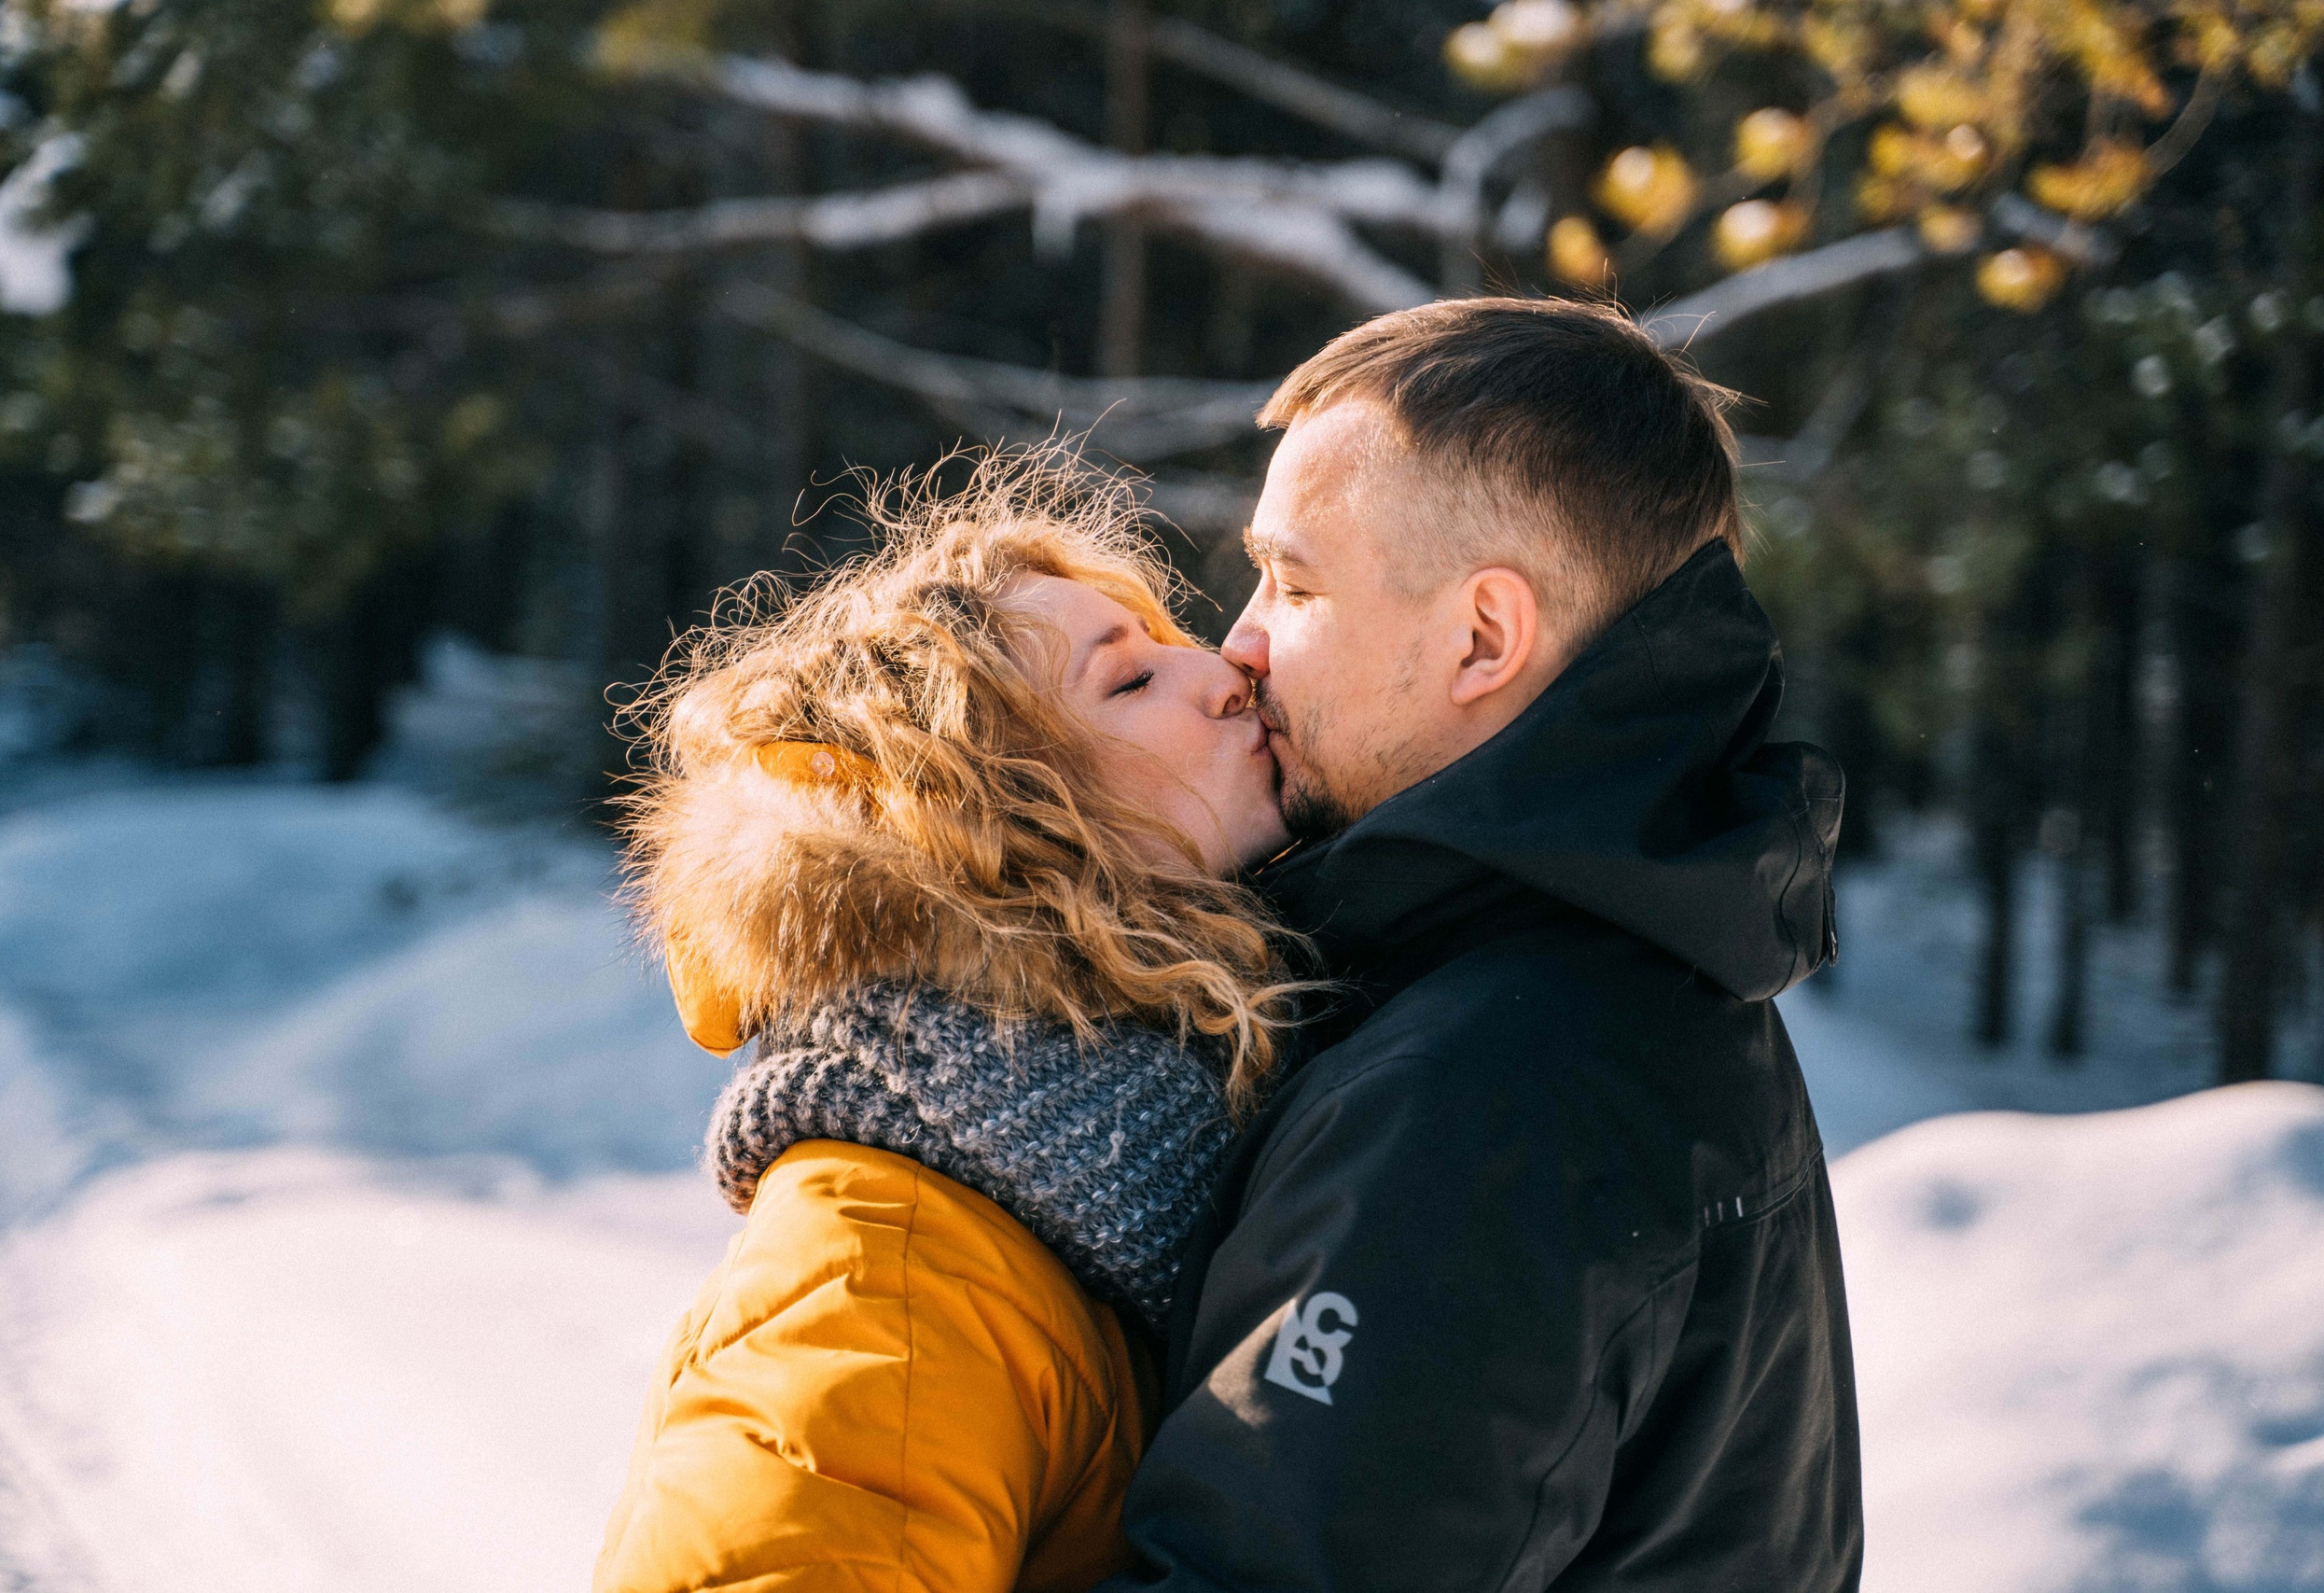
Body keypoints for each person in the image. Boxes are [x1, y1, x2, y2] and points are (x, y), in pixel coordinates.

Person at [1099, 299, 1861, 1591]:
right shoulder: (1628, 968)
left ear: (1483, 638)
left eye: (1295, 580)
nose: (1235, 640)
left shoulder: (1489, 1091)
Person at [592, 453, 1308, 1593]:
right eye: (1128, 683)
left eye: (1172, 640)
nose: (1222, 672)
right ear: (1001, 827)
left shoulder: (1096, 1165)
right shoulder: (886, 1260)